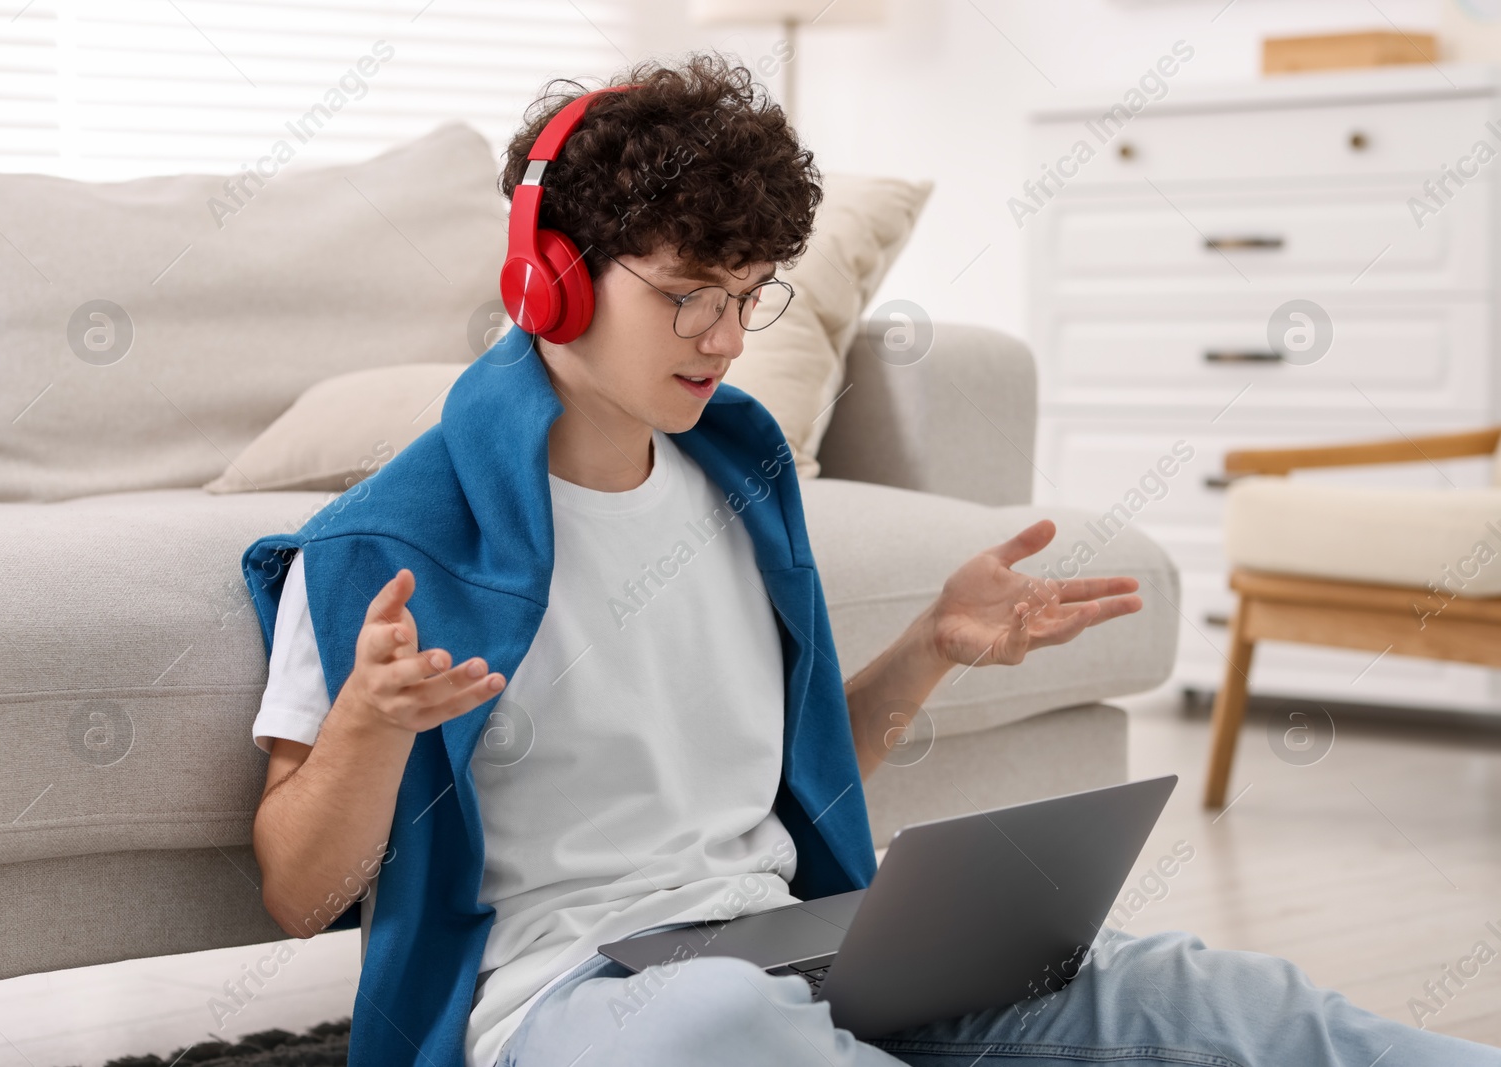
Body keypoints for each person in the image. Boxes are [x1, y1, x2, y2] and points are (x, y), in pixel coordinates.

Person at [242, 51, 1500, 1067]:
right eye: (688, 292)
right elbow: (300, 894)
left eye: (751, 292)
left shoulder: (736, 481)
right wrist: (367, 725)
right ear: (552, 276)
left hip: (792, 949)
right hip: (580, 1004)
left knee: (1149, 979)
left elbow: (791, 785)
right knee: (720, 1020)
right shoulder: (384, 550)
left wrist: (931, 650)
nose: (726, 336)